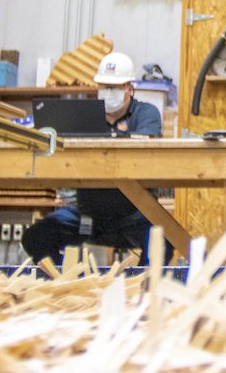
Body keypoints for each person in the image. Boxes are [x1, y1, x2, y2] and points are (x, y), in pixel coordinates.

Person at [23, 51, 169, 267]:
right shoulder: (82, 117)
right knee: (36, 237)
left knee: (163, 241)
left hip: (133, 213)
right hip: (88, 214)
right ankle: (64, 285)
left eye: (114, 87)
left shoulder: (146, 114)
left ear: (129, 88)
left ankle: (141, 292)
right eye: (103, 87)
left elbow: (142, 154)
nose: (107, 92)